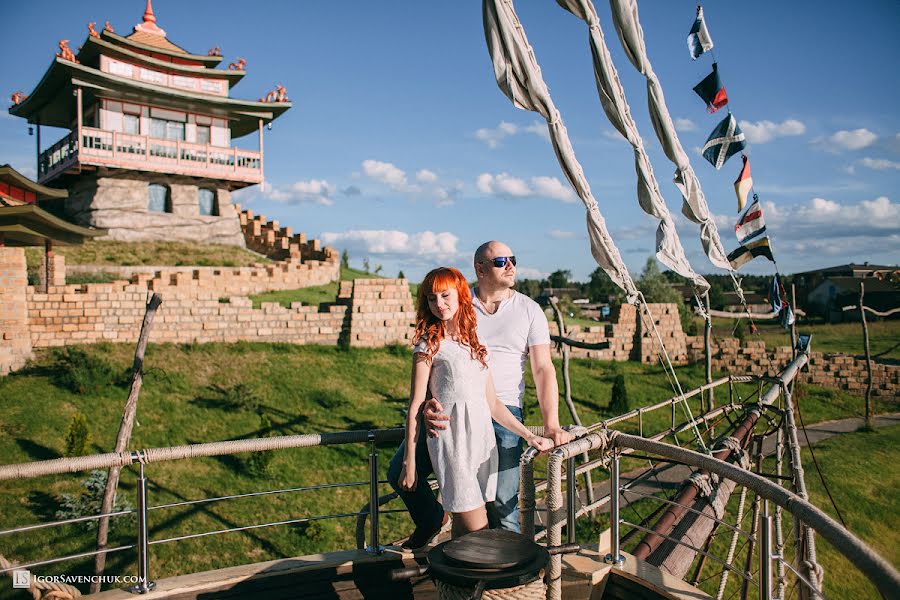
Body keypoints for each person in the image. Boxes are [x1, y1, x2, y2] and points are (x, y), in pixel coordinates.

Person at [387, 241, 573, 548]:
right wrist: (427, 407)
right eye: (501, 261)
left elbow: (543, 369)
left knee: (502, 503)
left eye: (512, 259)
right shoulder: (455, 299)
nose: (510, 265)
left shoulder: (528, 310)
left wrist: (549, 425)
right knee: (401, 472)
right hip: (451, 416)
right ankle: (435, 524)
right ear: (480, 269)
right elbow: (429, 371)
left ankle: (506, 576)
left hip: (502, 410)